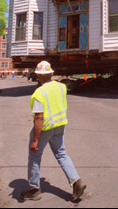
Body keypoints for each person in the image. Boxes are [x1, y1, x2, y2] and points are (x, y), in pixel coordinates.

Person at [20, 60, 86, 202]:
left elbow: (39, 117)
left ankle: (34, 189)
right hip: (59, 126)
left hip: (45, 129)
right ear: (51, 73)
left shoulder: (40, 92)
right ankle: (76, 181)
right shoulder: (61, 87)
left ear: (39, 75)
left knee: (35, 157)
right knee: (61, 154)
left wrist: (36, 140)